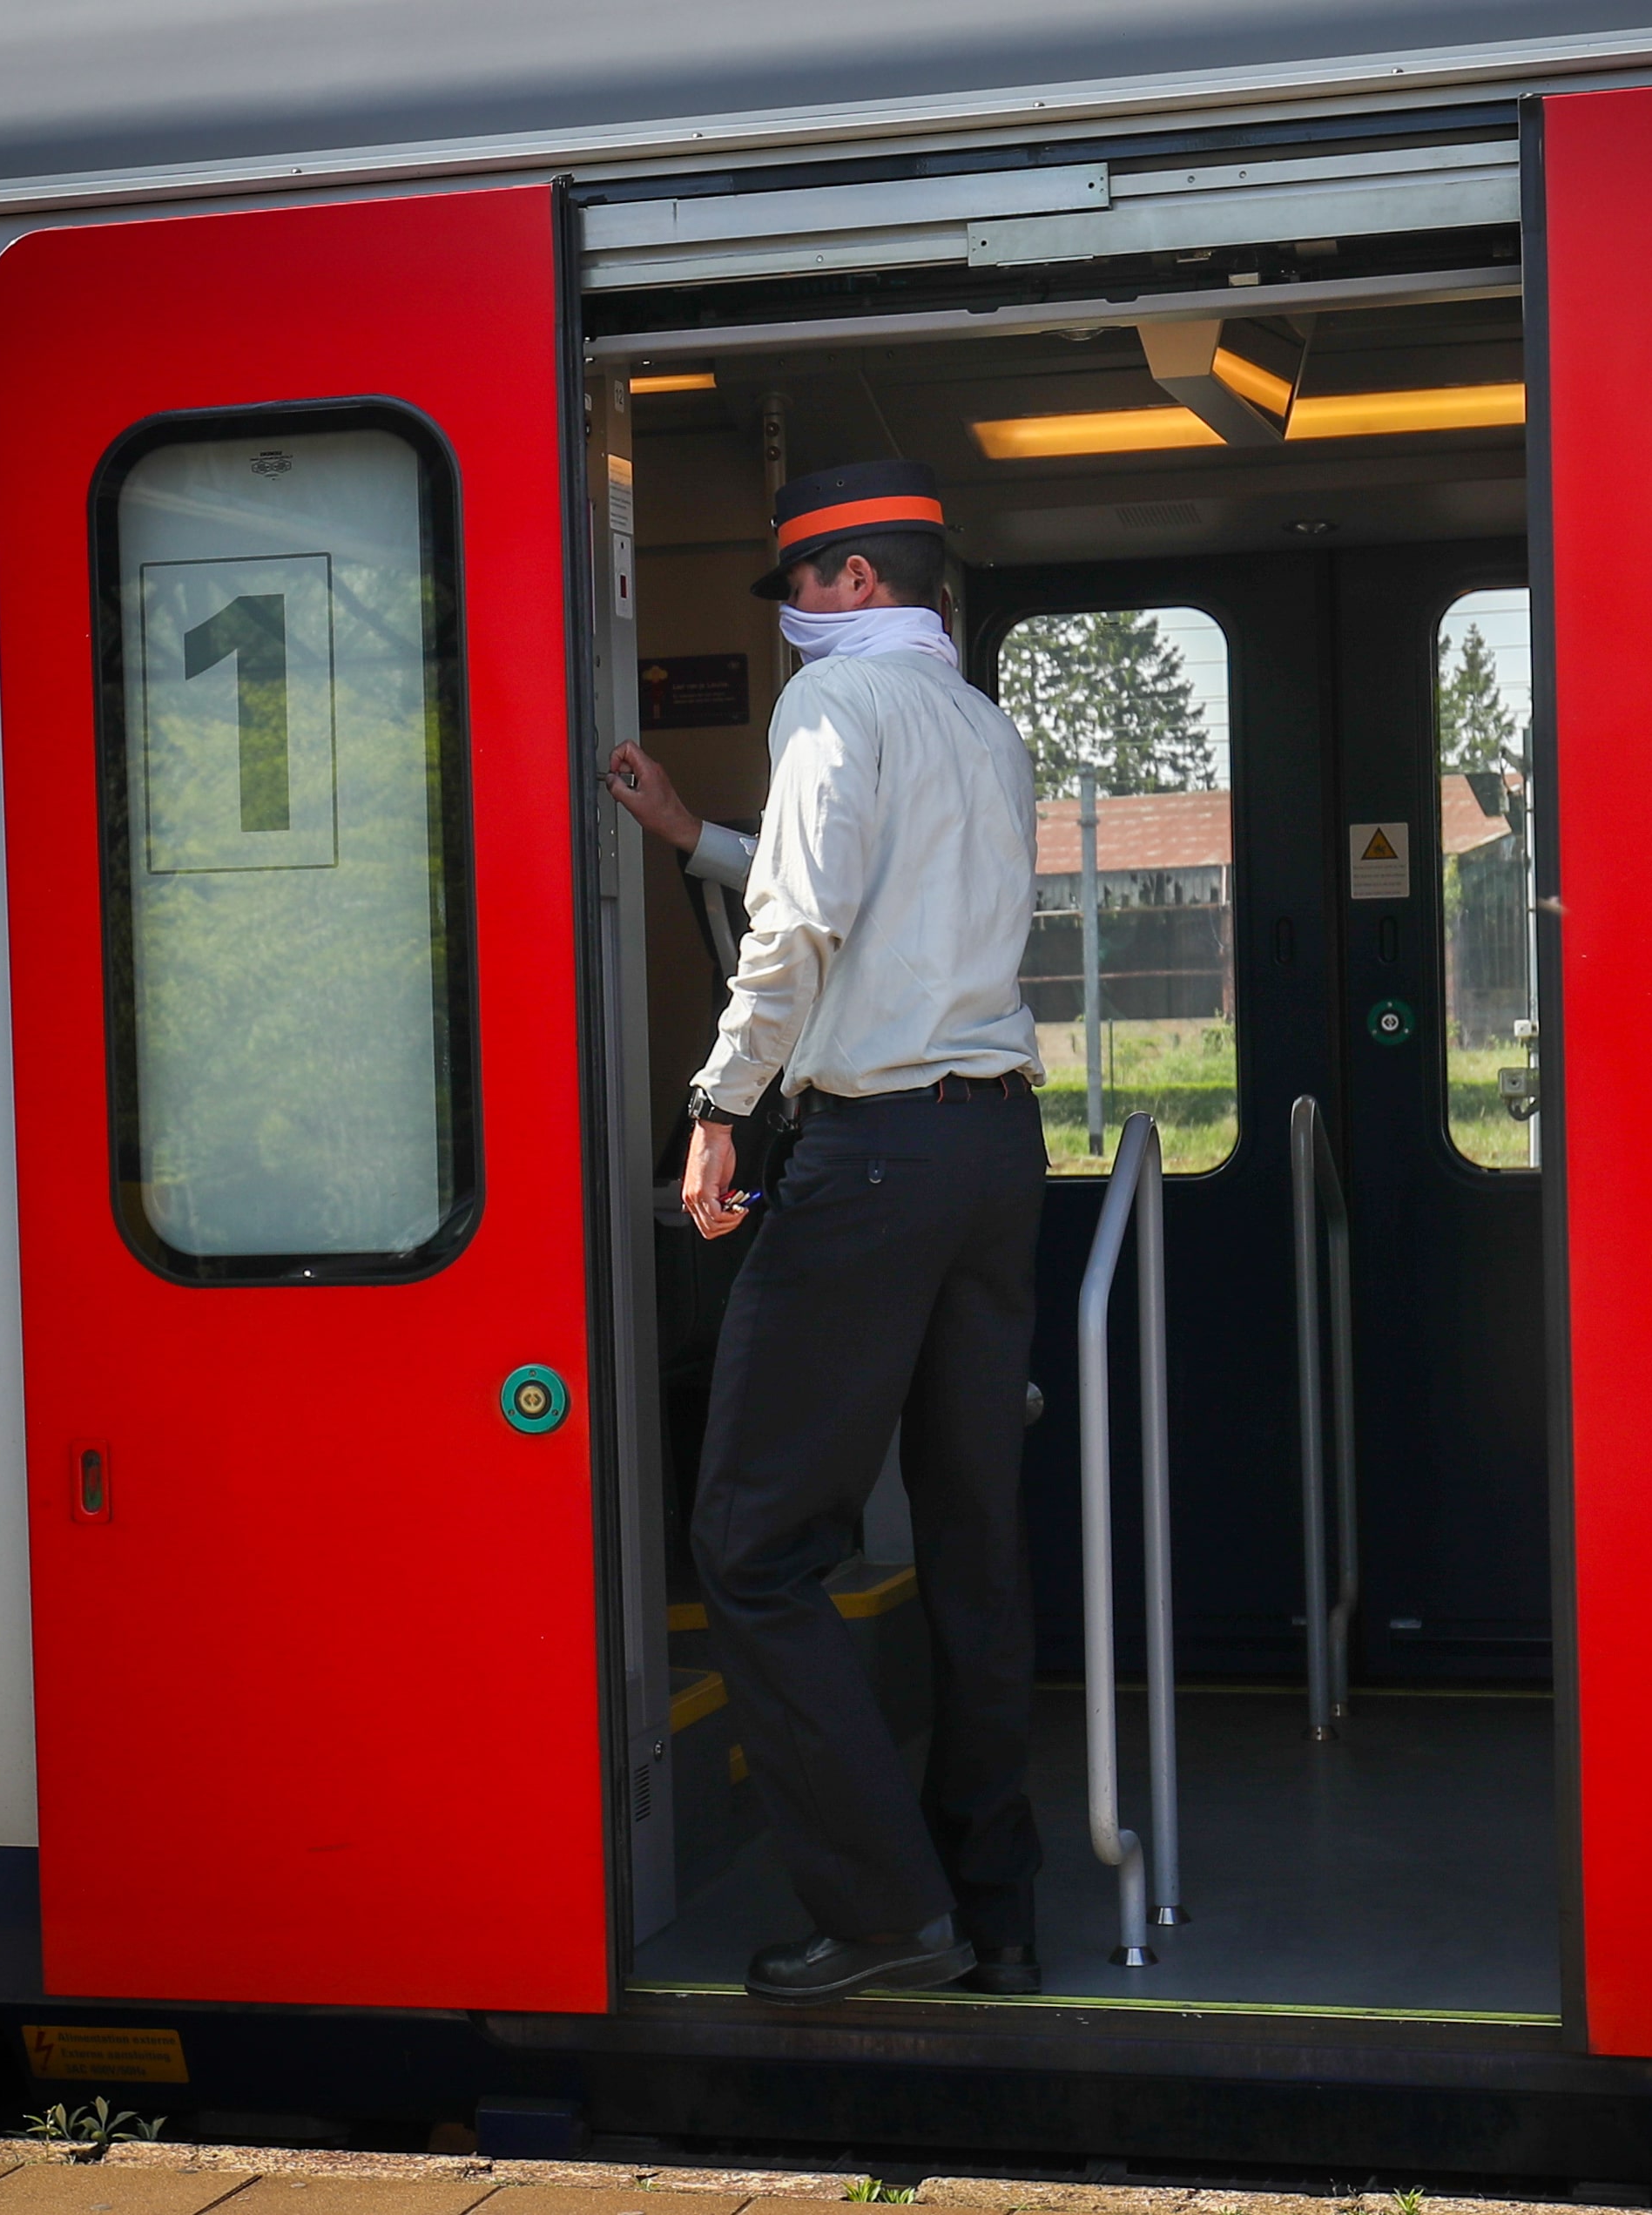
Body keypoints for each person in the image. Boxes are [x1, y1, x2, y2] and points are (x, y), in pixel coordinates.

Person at [602, 458, 1050, 2006]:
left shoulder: (829, 709)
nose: (791, 616)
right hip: (995, 1147)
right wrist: (692, 833)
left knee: (753, 1545)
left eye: (799, 586)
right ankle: (991, 1910)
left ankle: (878, 1913)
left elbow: (806, 923)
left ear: (856, 581)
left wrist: (719, 1101)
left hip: (869, 1159)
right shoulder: (983, 726)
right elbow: (885, 897)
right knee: (974, 1544)